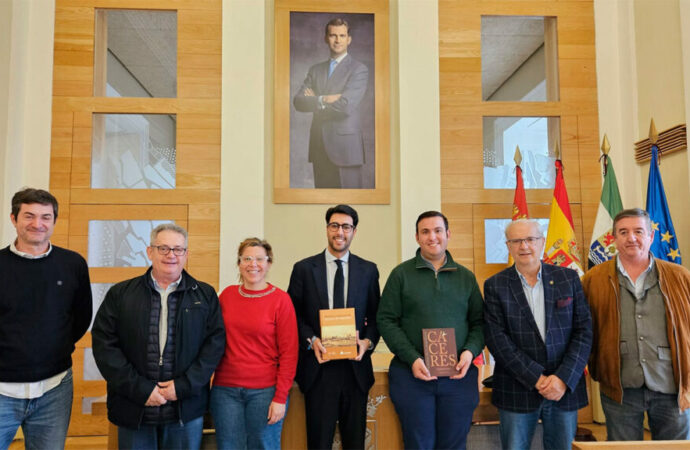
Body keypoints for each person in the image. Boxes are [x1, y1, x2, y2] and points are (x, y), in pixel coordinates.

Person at [92, 223, 225, 449]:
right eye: (163, 248)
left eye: (177, 249)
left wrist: (182, 386)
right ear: (149, 251)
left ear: (186, 254)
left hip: (185, 407)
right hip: (134, 406)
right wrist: (142, 390)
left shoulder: (205, 295)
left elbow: (213, 346)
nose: (171, 255)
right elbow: (105, 346)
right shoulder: (121, 294)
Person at [377, 210, 484, 450]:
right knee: (418, 444)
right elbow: (386, 320)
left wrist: (469, 352)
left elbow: (479, 322)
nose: (432, 237)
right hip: (412, 377)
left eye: (437, 230)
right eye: (425, 231)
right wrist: (412, 358)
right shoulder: (401, 275)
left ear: (448, 234)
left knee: (454, 445)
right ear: (417, 237)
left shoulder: (466, 278)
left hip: (458, 377)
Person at [483, 219, 592, 450]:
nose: (524, 246)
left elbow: (583, 331)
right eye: (517, 241)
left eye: (531, 239)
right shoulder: (495, 285)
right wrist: (537, 378)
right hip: (516, 388)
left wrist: (562, 378)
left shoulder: (568, 278)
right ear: (508, 246)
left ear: (542, 242)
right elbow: (497, 339)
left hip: (563, 388)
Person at [583, 208, 690, 441]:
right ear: (614, 239)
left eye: (638, 231)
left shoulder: (680, 277)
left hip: (671, 386)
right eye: (623, 232)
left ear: (651, 236)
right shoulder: (593, 279)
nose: (631, 238)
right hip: (619, 386)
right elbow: (583, 331)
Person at [0, 188, 92, 450]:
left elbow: (81, 317)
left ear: (54, 221)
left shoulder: (73, 264)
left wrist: (51, 346)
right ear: (13, 218)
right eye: (29, 216)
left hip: (54, 387)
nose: (37, 224)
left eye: (45, 217)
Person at [288, 204, 380, 449]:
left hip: (355, 370)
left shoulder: (368, 270)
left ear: (354, 231)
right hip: (319, 369)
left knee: (355, 443)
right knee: (318, 442)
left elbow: (376, 316)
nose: (340, 232)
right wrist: (311, 340)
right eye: (335, 226)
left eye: (346, 227)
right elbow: (293, 316)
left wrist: (367, 342)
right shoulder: (304, 269)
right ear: (327, 229)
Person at [210, 238, 298, 449]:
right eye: (247, 258)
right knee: (228, 446)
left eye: (259, 259)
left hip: (265, 392)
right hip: (225, 391)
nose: (253, 264)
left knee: (263, 445)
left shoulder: (281, 300)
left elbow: (289, 353)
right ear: (239, 263)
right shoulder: (226, 296)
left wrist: (280, 397)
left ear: (268, 263)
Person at [293, 18, 369, 189]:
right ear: (325, 38)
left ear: (349, 39)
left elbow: (345, 106)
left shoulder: (359, 69)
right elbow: (298, 101)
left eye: (342, 35)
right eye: (333, 35)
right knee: (323, 208)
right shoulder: (315, 70)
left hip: (346, 151)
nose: (337, 40)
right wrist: (324, 99)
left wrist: (315, 101)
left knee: (349, 207)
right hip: (319, 147)